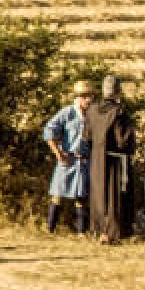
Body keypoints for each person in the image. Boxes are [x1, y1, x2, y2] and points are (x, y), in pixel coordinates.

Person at [78, 74, 137, 244]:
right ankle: (112, 234)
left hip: (97, 160)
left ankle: (101, 232)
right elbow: (122, 141)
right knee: (114, 197)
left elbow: (86, 137)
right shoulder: (118, 112)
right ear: (118, 92)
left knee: (99, 196)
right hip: (115, 161)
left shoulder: (92, 109)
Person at [42, 80, 93, 234]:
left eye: (90, 96)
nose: (88, 100)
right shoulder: (67, 113)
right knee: (57, 195)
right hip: (67, 160)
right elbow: (49, 131)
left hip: (84, 161)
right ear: (78, 97)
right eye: (85, 97)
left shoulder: (92, 115)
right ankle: (50, 229)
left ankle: (81, 232)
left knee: (81, 197)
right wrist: (58, 153)